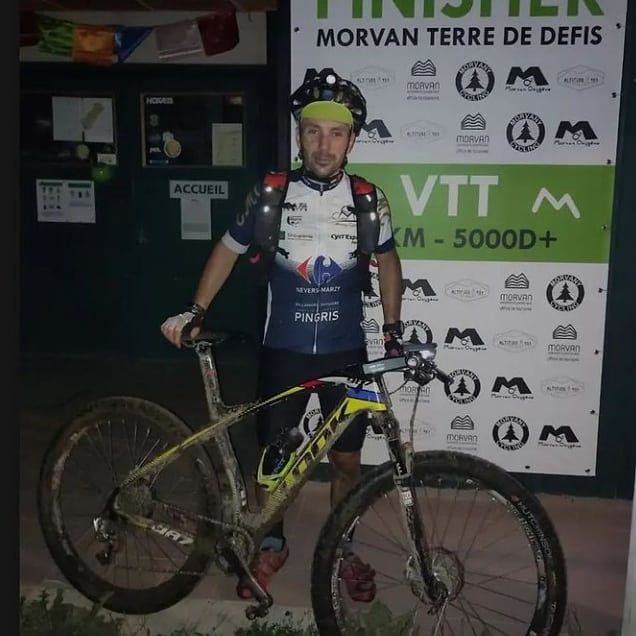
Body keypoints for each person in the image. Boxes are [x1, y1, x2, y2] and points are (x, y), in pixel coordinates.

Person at [160, 67, 404, 603]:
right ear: (299, 137)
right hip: (284, 350)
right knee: (274, 462)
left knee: (346, 460)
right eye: (313, 131)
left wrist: (392, 329)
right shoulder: (271, 193)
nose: (323, 144)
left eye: (336, 133)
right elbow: (227, 248)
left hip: (346, 350)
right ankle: (270, 542)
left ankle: (342, 545)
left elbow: (388, 260)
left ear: (351, 141)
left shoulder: (370, 200)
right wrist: (196, 309)